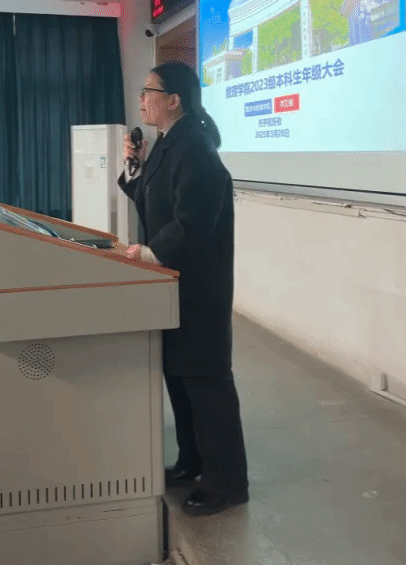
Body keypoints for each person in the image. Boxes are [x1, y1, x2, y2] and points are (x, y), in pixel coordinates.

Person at [117, 60, 249, 516]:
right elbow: (153, 200)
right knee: (180, 379)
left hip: (197, 288)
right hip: (172, 284)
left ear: (174, 99)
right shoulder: (169, 141)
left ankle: (227, 483)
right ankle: (193, 461)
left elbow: (193, 219)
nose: (142, 100)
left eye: (149, 92)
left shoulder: (195, 145)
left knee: (207, 385)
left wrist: (151, 253)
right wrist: (133, 165)